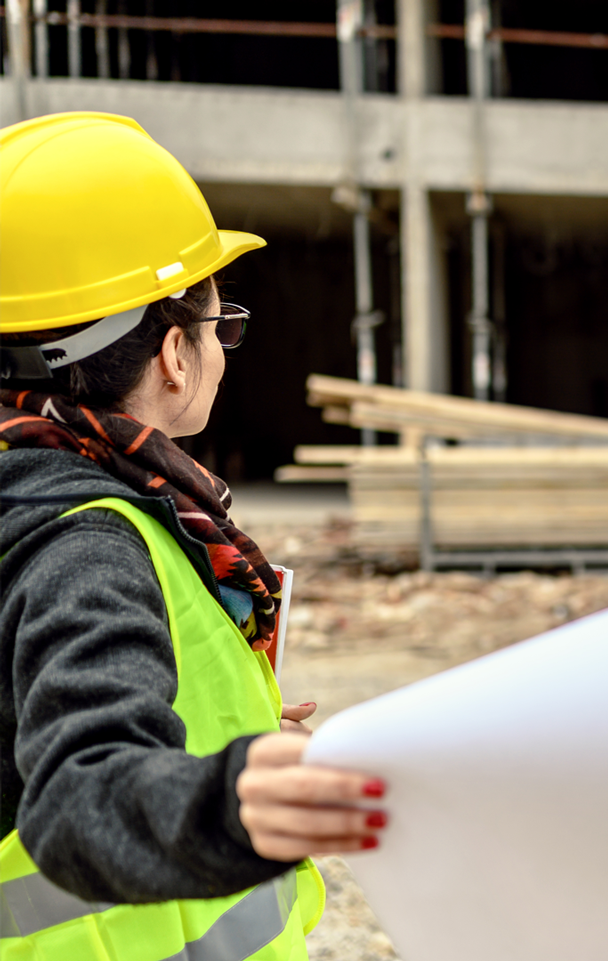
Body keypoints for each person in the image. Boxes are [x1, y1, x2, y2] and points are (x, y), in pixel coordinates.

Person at [0, 112, 385, 958]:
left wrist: (215, 738)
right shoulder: (87, 544)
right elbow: (78, 794)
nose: (222, 349)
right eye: (222, 324)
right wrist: (225, 799)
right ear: (174, 353)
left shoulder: (26, 492)